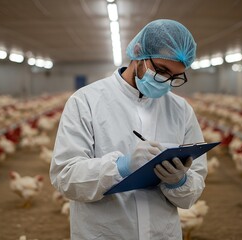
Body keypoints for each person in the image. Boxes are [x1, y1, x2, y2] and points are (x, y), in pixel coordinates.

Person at [50, 19, 207, 239]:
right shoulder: (86, 101)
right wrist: (120, 167)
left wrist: (180, 182)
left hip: (162, 233)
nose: (166, 81)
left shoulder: (180, 110)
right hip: (104, 233)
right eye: (161, 70)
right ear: (137, 53)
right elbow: (65, 178)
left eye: (174, 77)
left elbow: (192, 193)